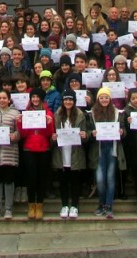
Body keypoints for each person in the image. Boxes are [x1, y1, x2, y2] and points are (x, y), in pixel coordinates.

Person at [17, 88, 55, 220]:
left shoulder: (48, 113)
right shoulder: (26, 113)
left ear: (41, 99)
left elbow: (50, 134)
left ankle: (39, 204)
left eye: (37, 97)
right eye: (33, 97)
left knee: (41, 178)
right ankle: (31, 204)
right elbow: (23, 134)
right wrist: (20, 122)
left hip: (43, 148)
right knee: (31, 178)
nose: (35, 99)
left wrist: (49, 123)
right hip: (29, 149)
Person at [89, 87, 125, 219]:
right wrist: (91, 134)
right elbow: (88, 131)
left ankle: (108, 205)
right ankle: (101, 203)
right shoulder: (92, 113)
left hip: (112, 149)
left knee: (110, 178)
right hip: (98, 150)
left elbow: (123, 129)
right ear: (98, 99)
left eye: (106, 97)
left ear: (110, 99)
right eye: (101, 97)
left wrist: (122, 132)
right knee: (100, 179)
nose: (104, 99)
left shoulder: (117, 113)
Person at [51, 89, 88, 219]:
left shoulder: (80, 115)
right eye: (66, 99)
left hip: (75, 152)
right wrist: (53, 138)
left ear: (74, 101)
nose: (68, 102)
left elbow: (86, 134)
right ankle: (65, 205)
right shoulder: (57, 115)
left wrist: (85, 135)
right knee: (63, 181)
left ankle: (75, 206)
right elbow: (52, 134)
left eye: (70, 100)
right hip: (61, 152)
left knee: (75, 181)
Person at [0, 90, 21, 220]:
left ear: (9, 99)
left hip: (9, 153)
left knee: (8, 182)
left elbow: (20, 132)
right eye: (0, 98)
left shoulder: (15, 113)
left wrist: (15, 136)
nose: (2, 100)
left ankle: (8, 209)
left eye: (4, 98)